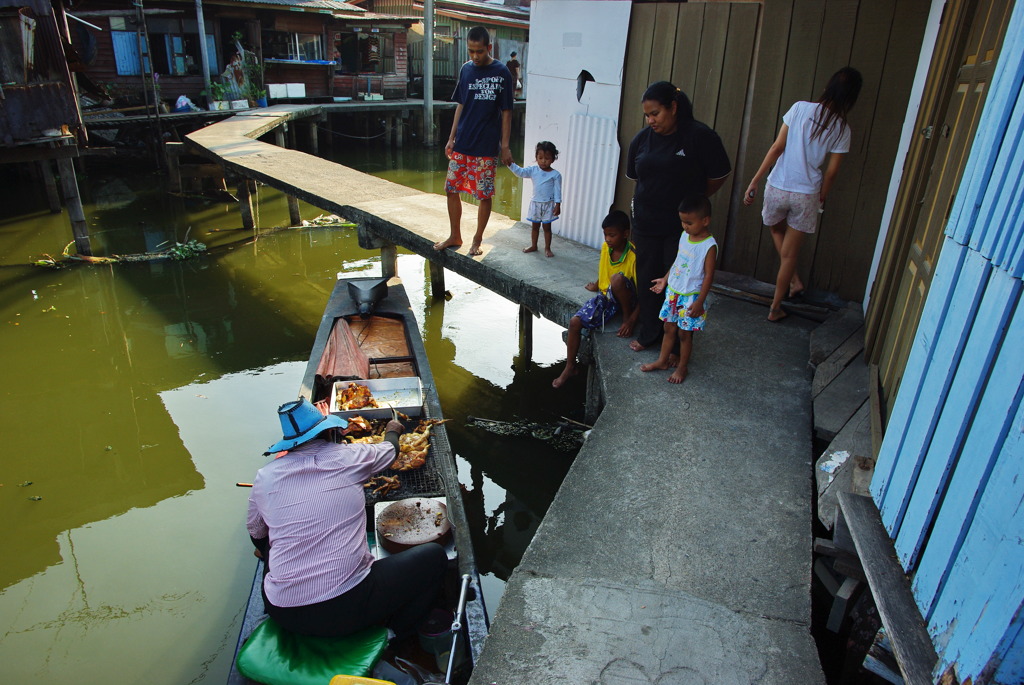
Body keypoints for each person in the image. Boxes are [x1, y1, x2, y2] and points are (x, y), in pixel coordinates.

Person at [247, 398, 447, 640]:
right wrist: (393, 431)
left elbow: (257, 534)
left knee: (269, 546)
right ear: (330, 431)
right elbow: (391, 451)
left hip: (281, 610)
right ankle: (396, 634)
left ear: (291, 443)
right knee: (434, 557)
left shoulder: (264, 476)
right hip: (344, 607)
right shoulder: (347, 456)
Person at [743, 67, 863, 322]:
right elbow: (831, 173)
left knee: (775, 228)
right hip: (806, 194)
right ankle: (777, 305)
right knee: (790, 255)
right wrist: (821, 197)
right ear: (850, 98)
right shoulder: (842, 129)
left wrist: (754, 180)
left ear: (828, 87)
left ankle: (795, 281)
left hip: (778, 185)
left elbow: (777, 147)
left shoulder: (799, 108)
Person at [625, 81, 731, 353]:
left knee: (680, 283)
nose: (651, 120)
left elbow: (718, 176)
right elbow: (636, 177)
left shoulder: (699, 136)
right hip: (646, 222)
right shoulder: (642, 139)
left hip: (682, 228)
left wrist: (694, 202)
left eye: (656, 113)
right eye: (647, 115)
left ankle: (675, 346)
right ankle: (650, 333)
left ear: (673, 107)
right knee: (649, 279)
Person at [434, 26, 515, 256]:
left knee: (484, 194)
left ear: (488, 48)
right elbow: (461, 103)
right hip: (463, 142)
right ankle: (454, 235)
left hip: (486, 146)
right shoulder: (466, 70)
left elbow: (507, 111)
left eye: (479, 51)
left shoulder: (502, 73)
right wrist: (451, 138)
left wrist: (505, 145)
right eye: (471, 51)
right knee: (451, 188)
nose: (475, 57)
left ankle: (477, 239)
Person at [552, 210, 637, 389]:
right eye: (605, 234)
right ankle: (570, 367)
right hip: (607, 297)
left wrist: (631, 320)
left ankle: (626, 318)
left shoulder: (633, 256)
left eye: (612, 235)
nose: (607, 239)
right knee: (575, 322)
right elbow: (605, 270)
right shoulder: (606, 248)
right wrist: (598, 284)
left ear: (625, 234)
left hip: (627, 298)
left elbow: (645, 294)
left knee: (618, 280)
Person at [641, 195, 717, 384]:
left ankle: (682, 367)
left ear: (705, 220)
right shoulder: (684, 236)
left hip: (691, 296)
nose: (684, 226)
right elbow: (678, 261)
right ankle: (662, 360)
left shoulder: (709, 246)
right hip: (674, 291)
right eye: (682, 221)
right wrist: (665, 279)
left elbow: (708, 276)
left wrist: (700, 302)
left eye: (689, 222)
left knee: (684, 333)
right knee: (669, 327)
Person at [508, 141, 562, 257]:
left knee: (547, 228)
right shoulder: (533, 170)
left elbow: (557, 191)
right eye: (540, 158)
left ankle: (547, 248)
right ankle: (534, 245)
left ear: (553, 159)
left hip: (548, 205)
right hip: (535, 204)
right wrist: (510, 164)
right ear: (536, 158)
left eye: (547, 158)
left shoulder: (555, 175)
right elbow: (520, 172)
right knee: (535, 227)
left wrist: (558, 204)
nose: (543, 161)